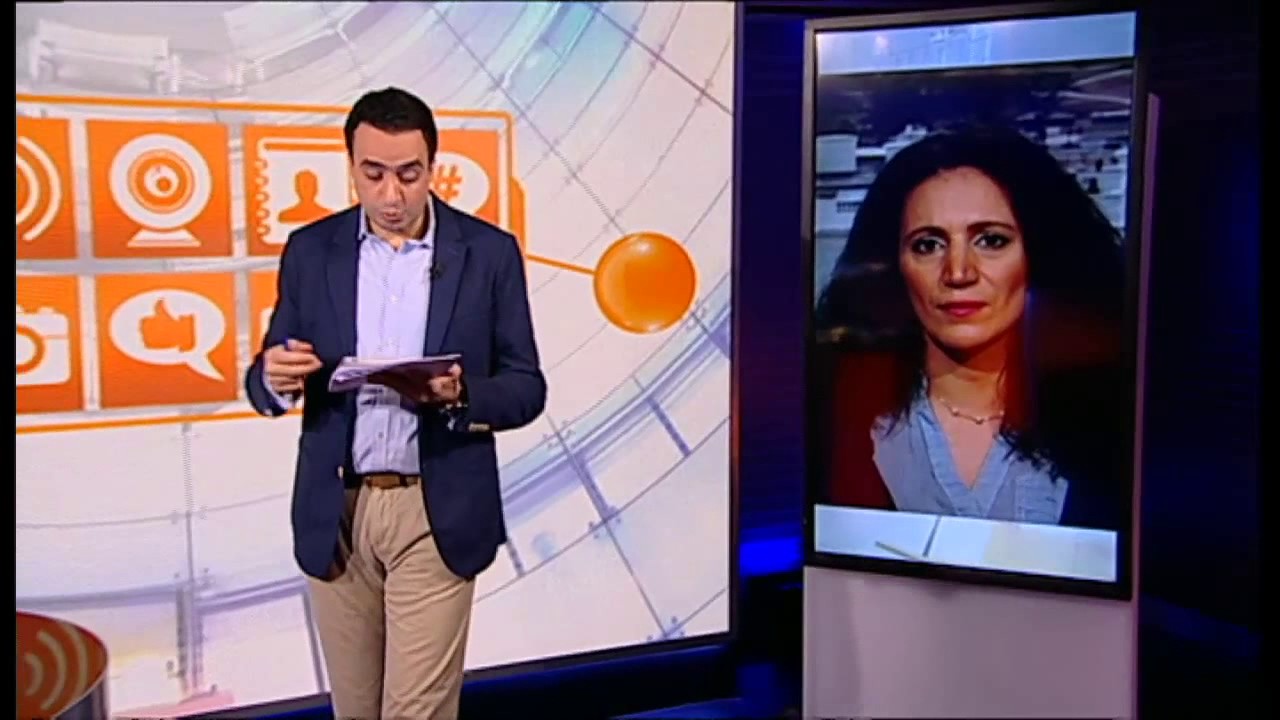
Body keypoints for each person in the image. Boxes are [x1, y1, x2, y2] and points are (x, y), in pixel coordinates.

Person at [244, 86, 546, 719]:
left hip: (435, 511)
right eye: (373, 174)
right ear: (350, 167)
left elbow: (526, 386)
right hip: (338, 512)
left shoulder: (488, 254)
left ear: (432, 167)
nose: (390, 195)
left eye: (408, 175)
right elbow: (267, 374)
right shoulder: (310, 251)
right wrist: (274, 376)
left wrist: (462, 392)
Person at [815, 125, 1129, 530]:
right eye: (928, 245)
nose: (959, 272)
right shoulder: (831, 417)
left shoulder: (1116, 415)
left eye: (991, 241)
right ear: (896, 267)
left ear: (1037, 255)